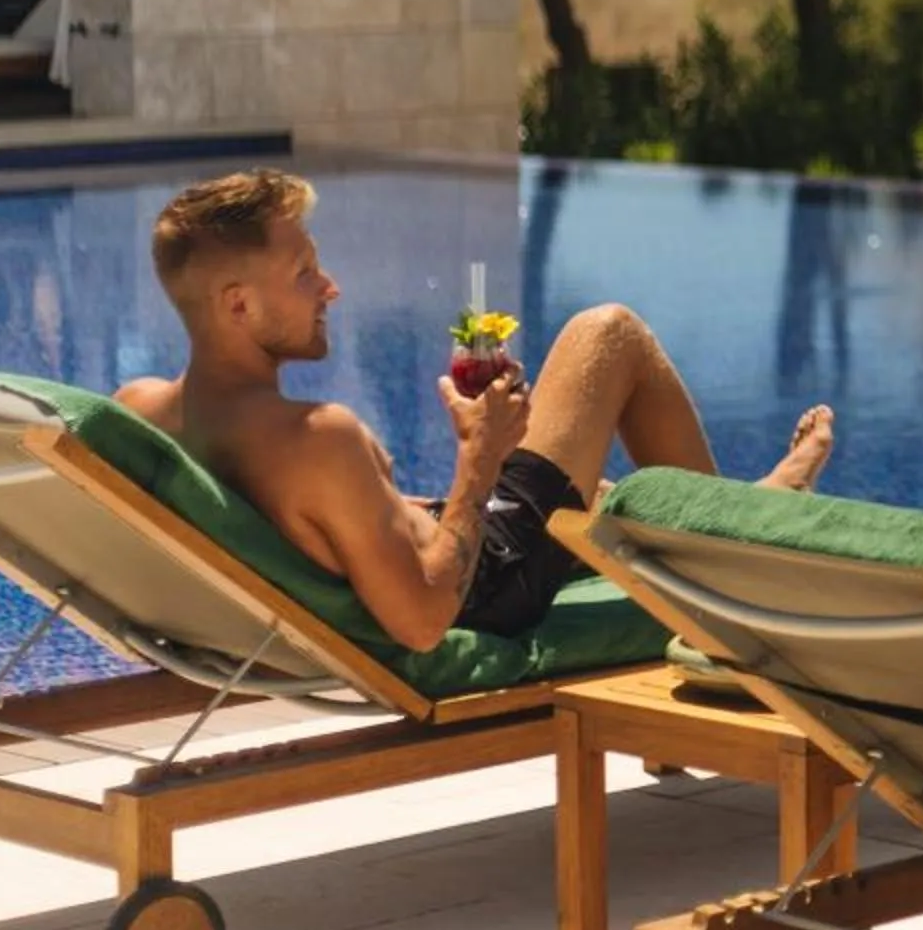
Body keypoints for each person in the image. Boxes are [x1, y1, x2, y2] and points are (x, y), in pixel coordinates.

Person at [114, 169, 835, 653]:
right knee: (608, 334)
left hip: (435, 538)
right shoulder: (319, 440)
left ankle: (740, 506)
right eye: (304, 272)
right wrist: (479, 461)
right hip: (490, 580)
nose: (329, 288)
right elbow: (427, 621)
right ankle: (736, 548)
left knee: (611, 497)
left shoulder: (142, 411)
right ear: (238, 304)